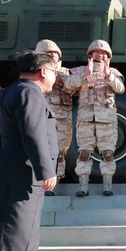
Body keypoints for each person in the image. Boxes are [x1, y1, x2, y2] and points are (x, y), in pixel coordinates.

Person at [0, 51, 59, 251]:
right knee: (12, 236)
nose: (56, 77)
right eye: (55, 71)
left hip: (24, 176)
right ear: (43, 71)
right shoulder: (29, 93)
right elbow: (32, 133)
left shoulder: (15, 91)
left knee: (27, 236)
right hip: (22, 175)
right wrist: (47, 169)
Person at [64, 40, 125, 196]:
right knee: (84, 153)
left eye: (103, 53)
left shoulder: (114, 72)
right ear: (90, 54)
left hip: (107, 119)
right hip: (85, 119)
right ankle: (83, 186)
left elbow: (120, 89)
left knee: (107, 153)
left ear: (108, 56)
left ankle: (107, 185)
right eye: (96, 52)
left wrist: (108, 75)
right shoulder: (79, 71)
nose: (100, 55)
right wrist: (84, 76)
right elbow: (68, 86)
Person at [35, 40, 74, 195]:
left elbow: (75, 89)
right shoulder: (33, 72)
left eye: (55, 54)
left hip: (61, 117)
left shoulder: (65, 72)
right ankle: (38, 182)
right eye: (48, 54)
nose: (52, 56)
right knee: (39, 148)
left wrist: (59, 78)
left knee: (59, 152)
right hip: (39, 116)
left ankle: (54, 184)